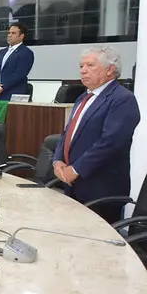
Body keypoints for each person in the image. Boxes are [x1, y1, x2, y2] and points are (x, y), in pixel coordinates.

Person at [52, 46, 141, 224]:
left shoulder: (122, 99)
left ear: (110, 69)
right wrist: (57, 160)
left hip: (101, 190)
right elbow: (68, 133)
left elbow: (111, 143)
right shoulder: (83, 97)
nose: (83, 70)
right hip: (73, 186)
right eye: (81, 66)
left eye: (90, 65)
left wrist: (75, 170)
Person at [0, 22, 34, 101]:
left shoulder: (26, 52)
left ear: (21, 36)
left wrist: (2, 87)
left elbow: (19, 74)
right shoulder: (2, 52)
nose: (9, 35)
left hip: (14, 95)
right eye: (9, 33)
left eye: (13, 33)